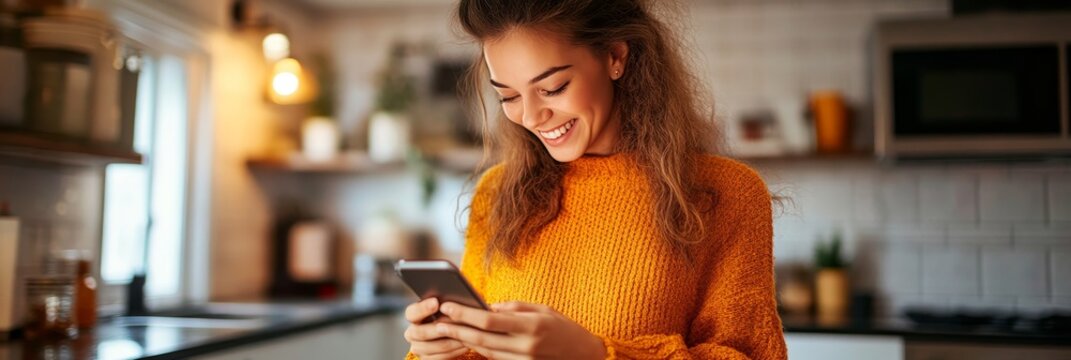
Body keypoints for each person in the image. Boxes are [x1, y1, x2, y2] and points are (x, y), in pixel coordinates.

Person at [403, 0, 787, 359]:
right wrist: (436, 351)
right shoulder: (498, 193)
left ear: (615, 56)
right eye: (509, 96)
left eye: (553, 88)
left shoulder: (727, 193)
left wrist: (593, 353)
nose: (533, 117)